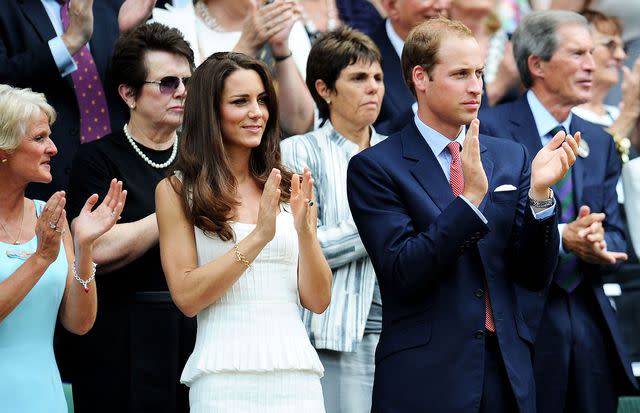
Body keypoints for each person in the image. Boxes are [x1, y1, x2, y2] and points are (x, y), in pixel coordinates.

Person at [348, 17, 579, 412]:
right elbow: (404, 270)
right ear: (421, 77)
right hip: (425, 378)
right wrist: (469, 201)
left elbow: (534, 274)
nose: (476, 86)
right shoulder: (375, 167)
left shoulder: (510, 156)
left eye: (479, 73)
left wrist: (541, 198)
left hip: (508, 372)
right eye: (460, 74)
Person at [479, 10, 638, 413]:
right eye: (577, 54)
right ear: (537, 64)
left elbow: (618, 236)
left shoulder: (600, 143)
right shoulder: (491, 130)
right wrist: (563, 234)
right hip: (519, 322)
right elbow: (485, 229)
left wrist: (598, 242)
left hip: (588, 322)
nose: (591, 64)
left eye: (592, 53)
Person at [155, 52, 332, 412]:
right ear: (210, 111)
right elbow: (187, 297)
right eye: (241, 101)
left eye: (262, 100)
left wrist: (306, 233)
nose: (257, 112)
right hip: (221, 376)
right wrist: (258, 237)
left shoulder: (287, 184)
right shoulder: (176, 190)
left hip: (296, 373)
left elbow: (318, 300)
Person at [65, 23, 196, 413]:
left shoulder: (202, 159)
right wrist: (173, 212)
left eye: (187, 81)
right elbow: (93, 251)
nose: (183, 92)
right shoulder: (97, 159)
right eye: (168, 83)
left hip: (195, 331)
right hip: (119, 337)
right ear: (129, 94)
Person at [0, 84, 125, 413]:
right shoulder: (48, 238)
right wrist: (41, 258)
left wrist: (84, 248)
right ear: (4, 148)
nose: (54, 148)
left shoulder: (50, 217)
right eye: (39, 138)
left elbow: (79, 323)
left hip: (45, 395)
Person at [280, 27, 385, 413]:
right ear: (324, 89)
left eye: (377, 77)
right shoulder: (297, 152)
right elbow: (299, 247)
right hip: (335, 334)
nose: (372, 87)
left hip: (407, 332)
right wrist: (382, 224)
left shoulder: (401, 152)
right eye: (358, 78)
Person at [0, 0, 155, 201]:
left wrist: (128, 36)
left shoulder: (114, 6)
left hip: (120, 173)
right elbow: (4, 82)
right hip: (45, 178)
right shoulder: (7, 8)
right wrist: (70, 42)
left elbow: (141, 85)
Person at [152, 0, 314, 136]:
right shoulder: (169, 24)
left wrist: (281, 48)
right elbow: (188, 117)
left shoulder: (281, 21)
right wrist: (246, 45)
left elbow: (299, 125)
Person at [369, 0, 450, 135]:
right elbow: (360, 134)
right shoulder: (361, 59)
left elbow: (483, 123)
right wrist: (425, 108)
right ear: (392, 6)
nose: (441, 5)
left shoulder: (462, 49)